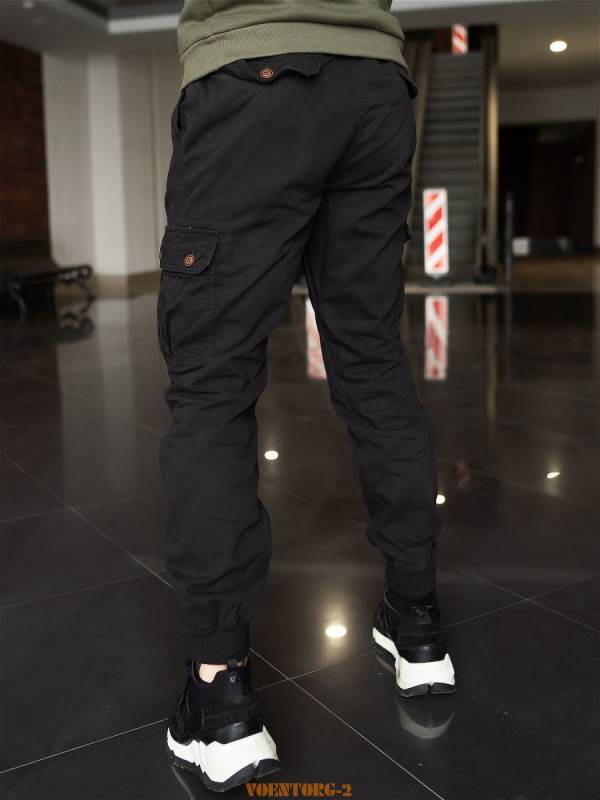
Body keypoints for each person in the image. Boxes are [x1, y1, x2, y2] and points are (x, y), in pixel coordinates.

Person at [159, 0, 456, 791]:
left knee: (212, 385)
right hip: (376, 87)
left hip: (252, 70)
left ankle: (220, 700)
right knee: (374, 363)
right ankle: (418, 625)